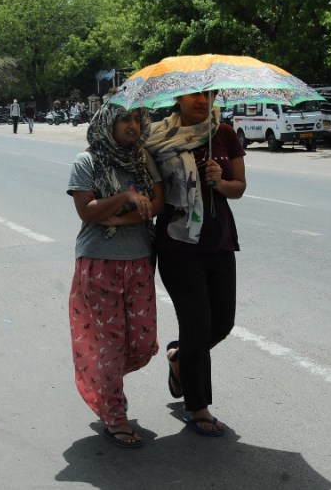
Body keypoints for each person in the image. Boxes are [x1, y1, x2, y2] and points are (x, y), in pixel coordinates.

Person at [145, 90, 246, 438]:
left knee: (223, 322)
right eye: (193, 95)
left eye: (208, 94)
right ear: (178, 98)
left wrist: (219, 180)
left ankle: (179, 359)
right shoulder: (159, 138)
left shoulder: (225, 133)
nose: (201, 101)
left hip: (218, 241)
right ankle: (197, 405)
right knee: (197, 323)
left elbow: (239, 188)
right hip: (177, 244)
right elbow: (148, 189)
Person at [66, 103, 164, 448]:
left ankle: (102, 378)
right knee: (109, 344)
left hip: (138, 260)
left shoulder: (142, 160)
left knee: (141, 342)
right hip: (99, 261)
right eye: (125, 119)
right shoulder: (87, 161)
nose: (133, 125)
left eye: (137, 118)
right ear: (107, 123)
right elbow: (86, 211)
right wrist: (125, 196)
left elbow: (157, 205)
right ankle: (115, 414)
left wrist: (123, 217)